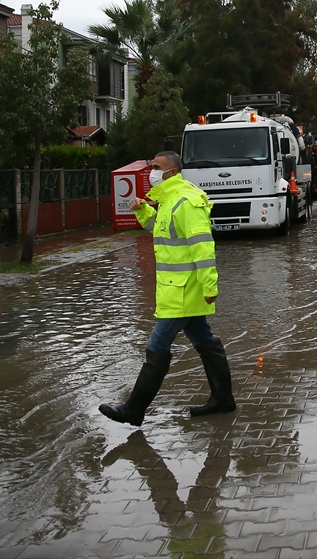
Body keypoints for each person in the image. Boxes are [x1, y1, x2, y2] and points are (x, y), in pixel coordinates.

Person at [99, 150, 236, 427]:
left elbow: (203, 247)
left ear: (172, 172)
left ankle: (133, 409)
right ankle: (223, 399)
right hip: (178, 290)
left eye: (157, 167)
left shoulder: (185, 202)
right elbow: (159, 229)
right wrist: (142, 209)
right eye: (151, 166)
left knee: (157, 344)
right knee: (204, 340)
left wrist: (210, 285)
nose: (152, 172)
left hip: (185, 291)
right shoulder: (169, 200)